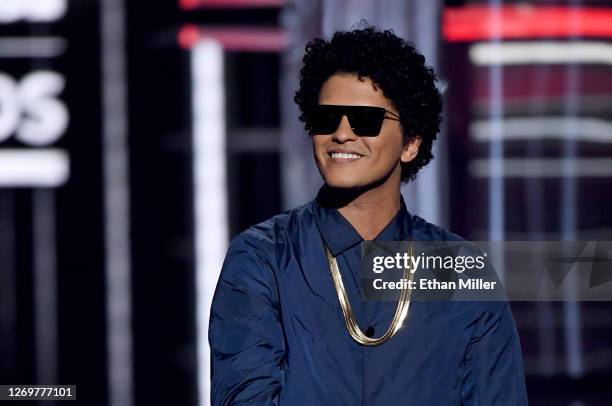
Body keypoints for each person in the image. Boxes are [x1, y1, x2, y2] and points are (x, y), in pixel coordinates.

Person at [209, 26, 528, 405]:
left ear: (410, 143)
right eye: (326, 119)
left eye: (365, 120)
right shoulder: (263, 260)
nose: (342, 134)